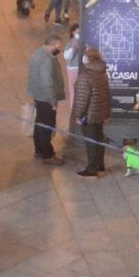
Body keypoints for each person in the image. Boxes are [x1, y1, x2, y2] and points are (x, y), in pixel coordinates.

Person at [26, 32, 65, 164]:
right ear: (51, 45)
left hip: (38, 94)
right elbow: (47, 82)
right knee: (46, 126)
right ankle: (48, 154)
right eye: (59, 46)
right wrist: (52, 101)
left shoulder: (38, 53)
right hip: (45, 98)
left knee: (39, 123)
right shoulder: (46, 60)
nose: (60, 49)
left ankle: (39, 149)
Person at [73, 45, 111, 177]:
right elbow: (107, 95)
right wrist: (107, 114)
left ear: (88, 58)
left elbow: (82, 100)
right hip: (99, 114)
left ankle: (92, 169)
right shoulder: (102, 73)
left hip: (89, 117)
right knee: (99, 140)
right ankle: (100, 165)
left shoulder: (85, 76)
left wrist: (77, 116)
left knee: (91, 143)